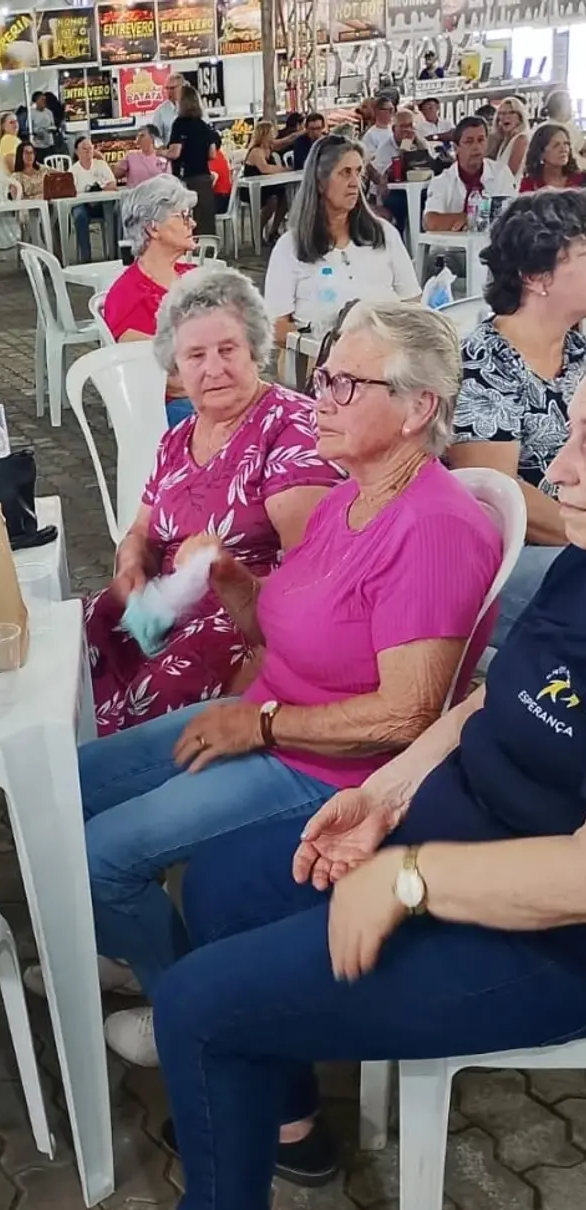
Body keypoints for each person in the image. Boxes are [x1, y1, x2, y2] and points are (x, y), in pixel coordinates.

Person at [71, 368, 586, 1210]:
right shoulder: (580, 564)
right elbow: (490, 699)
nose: (557, 468)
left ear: (416, 403)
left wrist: (409, 879)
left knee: (199, 1005)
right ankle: (285, 1120)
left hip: (545, 934)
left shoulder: (437, 521)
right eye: (570, 433)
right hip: (451, 825)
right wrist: (388, 792)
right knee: (221, 886)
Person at [66, 300, 502, 1068]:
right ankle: (147, 947)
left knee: (103, 853)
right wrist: (230, 576)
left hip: (331, 767)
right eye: (323, 377)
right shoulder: (349, 497)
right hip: (270, 716)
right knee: (65, 786)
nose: (319, 398)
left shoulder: (433, 527)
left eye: (344, 384)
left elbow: (407, 715)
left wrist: (260, 724)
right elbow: (277, 625)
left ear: (417, 409)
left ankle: (187, 1011)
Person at [86, 266, 341, 739]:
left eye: (228, 350)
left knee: (163, 687)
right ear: (175, 366)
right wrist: (132, 565)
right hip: (163, 610)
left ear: (254, 350)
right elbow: (140, 531)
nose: (213, 368)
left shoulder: (291, 430)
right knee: (79, 640)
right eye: (195, 355)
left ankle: (128, 776)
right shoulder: (177, 438)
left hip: (246, 622)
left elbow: (312, 580)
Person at [450, 189, 586, 644]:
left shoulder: (578, 353)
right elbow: (497, 494)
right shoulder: (482, 361)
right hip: (514, 554)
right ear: (536, 275)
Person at [265, 136, 420, 348]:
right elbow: (277, 325)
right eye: (345, 173)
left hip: (386, 352)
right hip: (322, 358)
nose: (355, 183)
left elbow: (412, 301)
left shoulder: (383, 233)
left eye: (358, 172)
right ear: (320, 182)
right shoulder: (291, 246)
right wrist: (328, 350)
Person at [104, 176, 196, 421]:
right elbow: (165, 380)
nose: (193, 223)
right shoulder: (128, 296)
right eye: (183, 216)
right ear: (153, 228)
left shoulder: (194, 276)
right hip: (168, 412)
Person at [422, 116, 515, 232]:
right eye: (469, 142)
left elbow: (513, 214)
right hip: (453, 244)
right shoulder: (442, 181)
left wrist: (472, 219)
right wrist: (469, 218)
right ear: (456, 148)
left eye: (481, 140)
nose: (476, 147)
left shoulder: (501, 173)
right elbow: (430, 221)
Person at [165, 85, 218, 238]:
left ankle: (189, 249)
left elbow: (175, 153)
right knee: (205, 222)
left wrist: (160, 152)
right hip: (204, 177)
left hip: (185, 179)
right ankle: (208, 249)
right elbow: (212, 154)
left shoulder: (179, 124)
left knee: (186, 222)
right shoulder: (203, 125)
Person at [70, 136, 119, 264]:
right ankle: (86, 259)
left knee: (116, 212)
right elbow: (71, 194)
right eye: (84, 148)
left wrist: (99, 189)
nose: (88, 151)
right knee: (79, 215)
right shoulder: (73, 170)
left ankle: (114, 255)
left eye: (90, 148)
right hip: (83, 205)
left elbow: (112, 185)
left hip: (102, 204)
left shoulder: (101, 165)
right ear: (77, 152)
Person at [242, 120, 290, 243]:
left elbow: (286, 141)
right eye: (272, 132)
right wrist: (283, 169)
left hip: (268, 185)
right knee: (272, 200)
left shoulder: (269, 149)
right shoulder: (256, 151)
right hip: (253, 188)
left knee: (285, 196)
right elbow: (265, 168)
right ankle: (258, 231)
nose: (274, 134)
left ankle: (274, 229)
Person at [519, 121, 585, 192]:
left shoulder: (582, 180)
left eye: (566, 144)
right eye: (556, 145)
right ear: (541, 153)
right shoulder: (530, 184)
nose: (564, 149)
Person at [489, 96, 530, 186]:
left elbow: (510, 174)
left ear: (520, 117)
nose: (506, 117)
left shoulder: (521, 139)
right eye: (502, 113)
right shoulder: (504, 140)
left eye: (511, 113)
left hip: (512, 190)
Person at [543, 87, 584, 154]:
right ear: (560, 107)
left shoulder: (569, 126)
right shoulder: (548, 130)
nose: (571, 108)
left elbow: (582, 146)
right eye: (569, 104)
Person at [151, 71, 185, 148]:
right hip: (171, 152)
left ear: (182, 87)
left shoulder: (193, 106)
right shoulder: (160, 111)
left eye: (172, 88)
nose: (169, 91)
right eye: (166, 88)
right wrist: (161, 146)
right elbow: (155, 136)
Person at [359, 96, 395, 163]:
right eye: (389, 110)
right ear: (378, 111)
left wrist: (408, 140)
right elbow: (370, 160)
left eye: (393, 109)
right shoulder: (370, 136)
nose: (392, 113)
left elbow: (404, 149)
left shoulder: (395, 128)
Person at [29, 90, 55, 159]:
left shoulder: (49, 112)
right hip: (38, 146)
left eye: (45, 99)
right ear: (36, 101)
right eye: (42, 99)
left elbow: (53, 125)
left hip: (50, 144)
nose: (44, 101)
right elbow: (29, 129)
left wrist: (52, 129)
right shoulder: (31, 113)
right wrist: (36, 133)